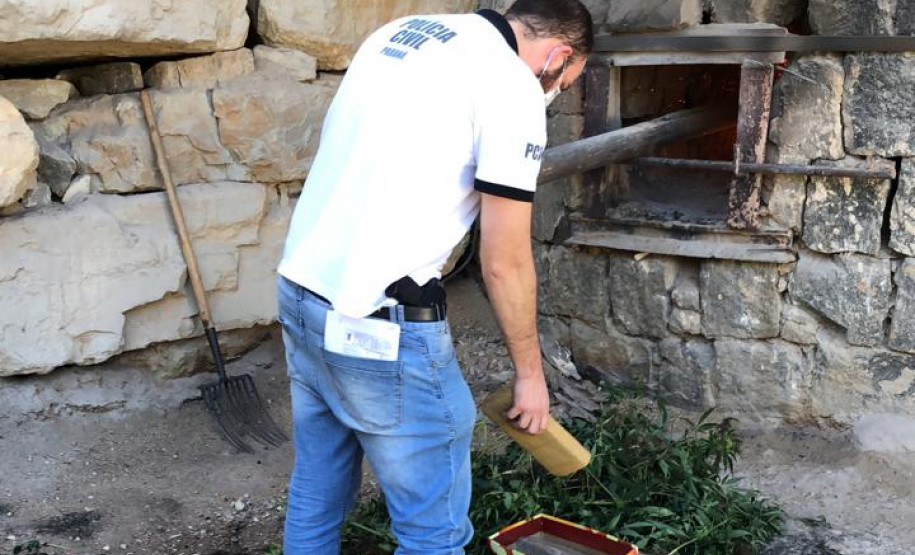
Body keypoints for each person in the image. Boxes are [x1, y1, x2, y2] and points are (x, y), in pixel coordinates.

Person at [276, 1, 593, 553]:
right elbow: (505, 259)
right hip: (376, 323)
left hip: (302, 292)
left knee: (318, 488)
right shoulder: (513, 87)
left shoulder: (404, 33)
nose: (555, 91)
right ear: (558, 55)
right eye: (565, 82)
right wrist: (530, 376)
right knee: (433, 535)